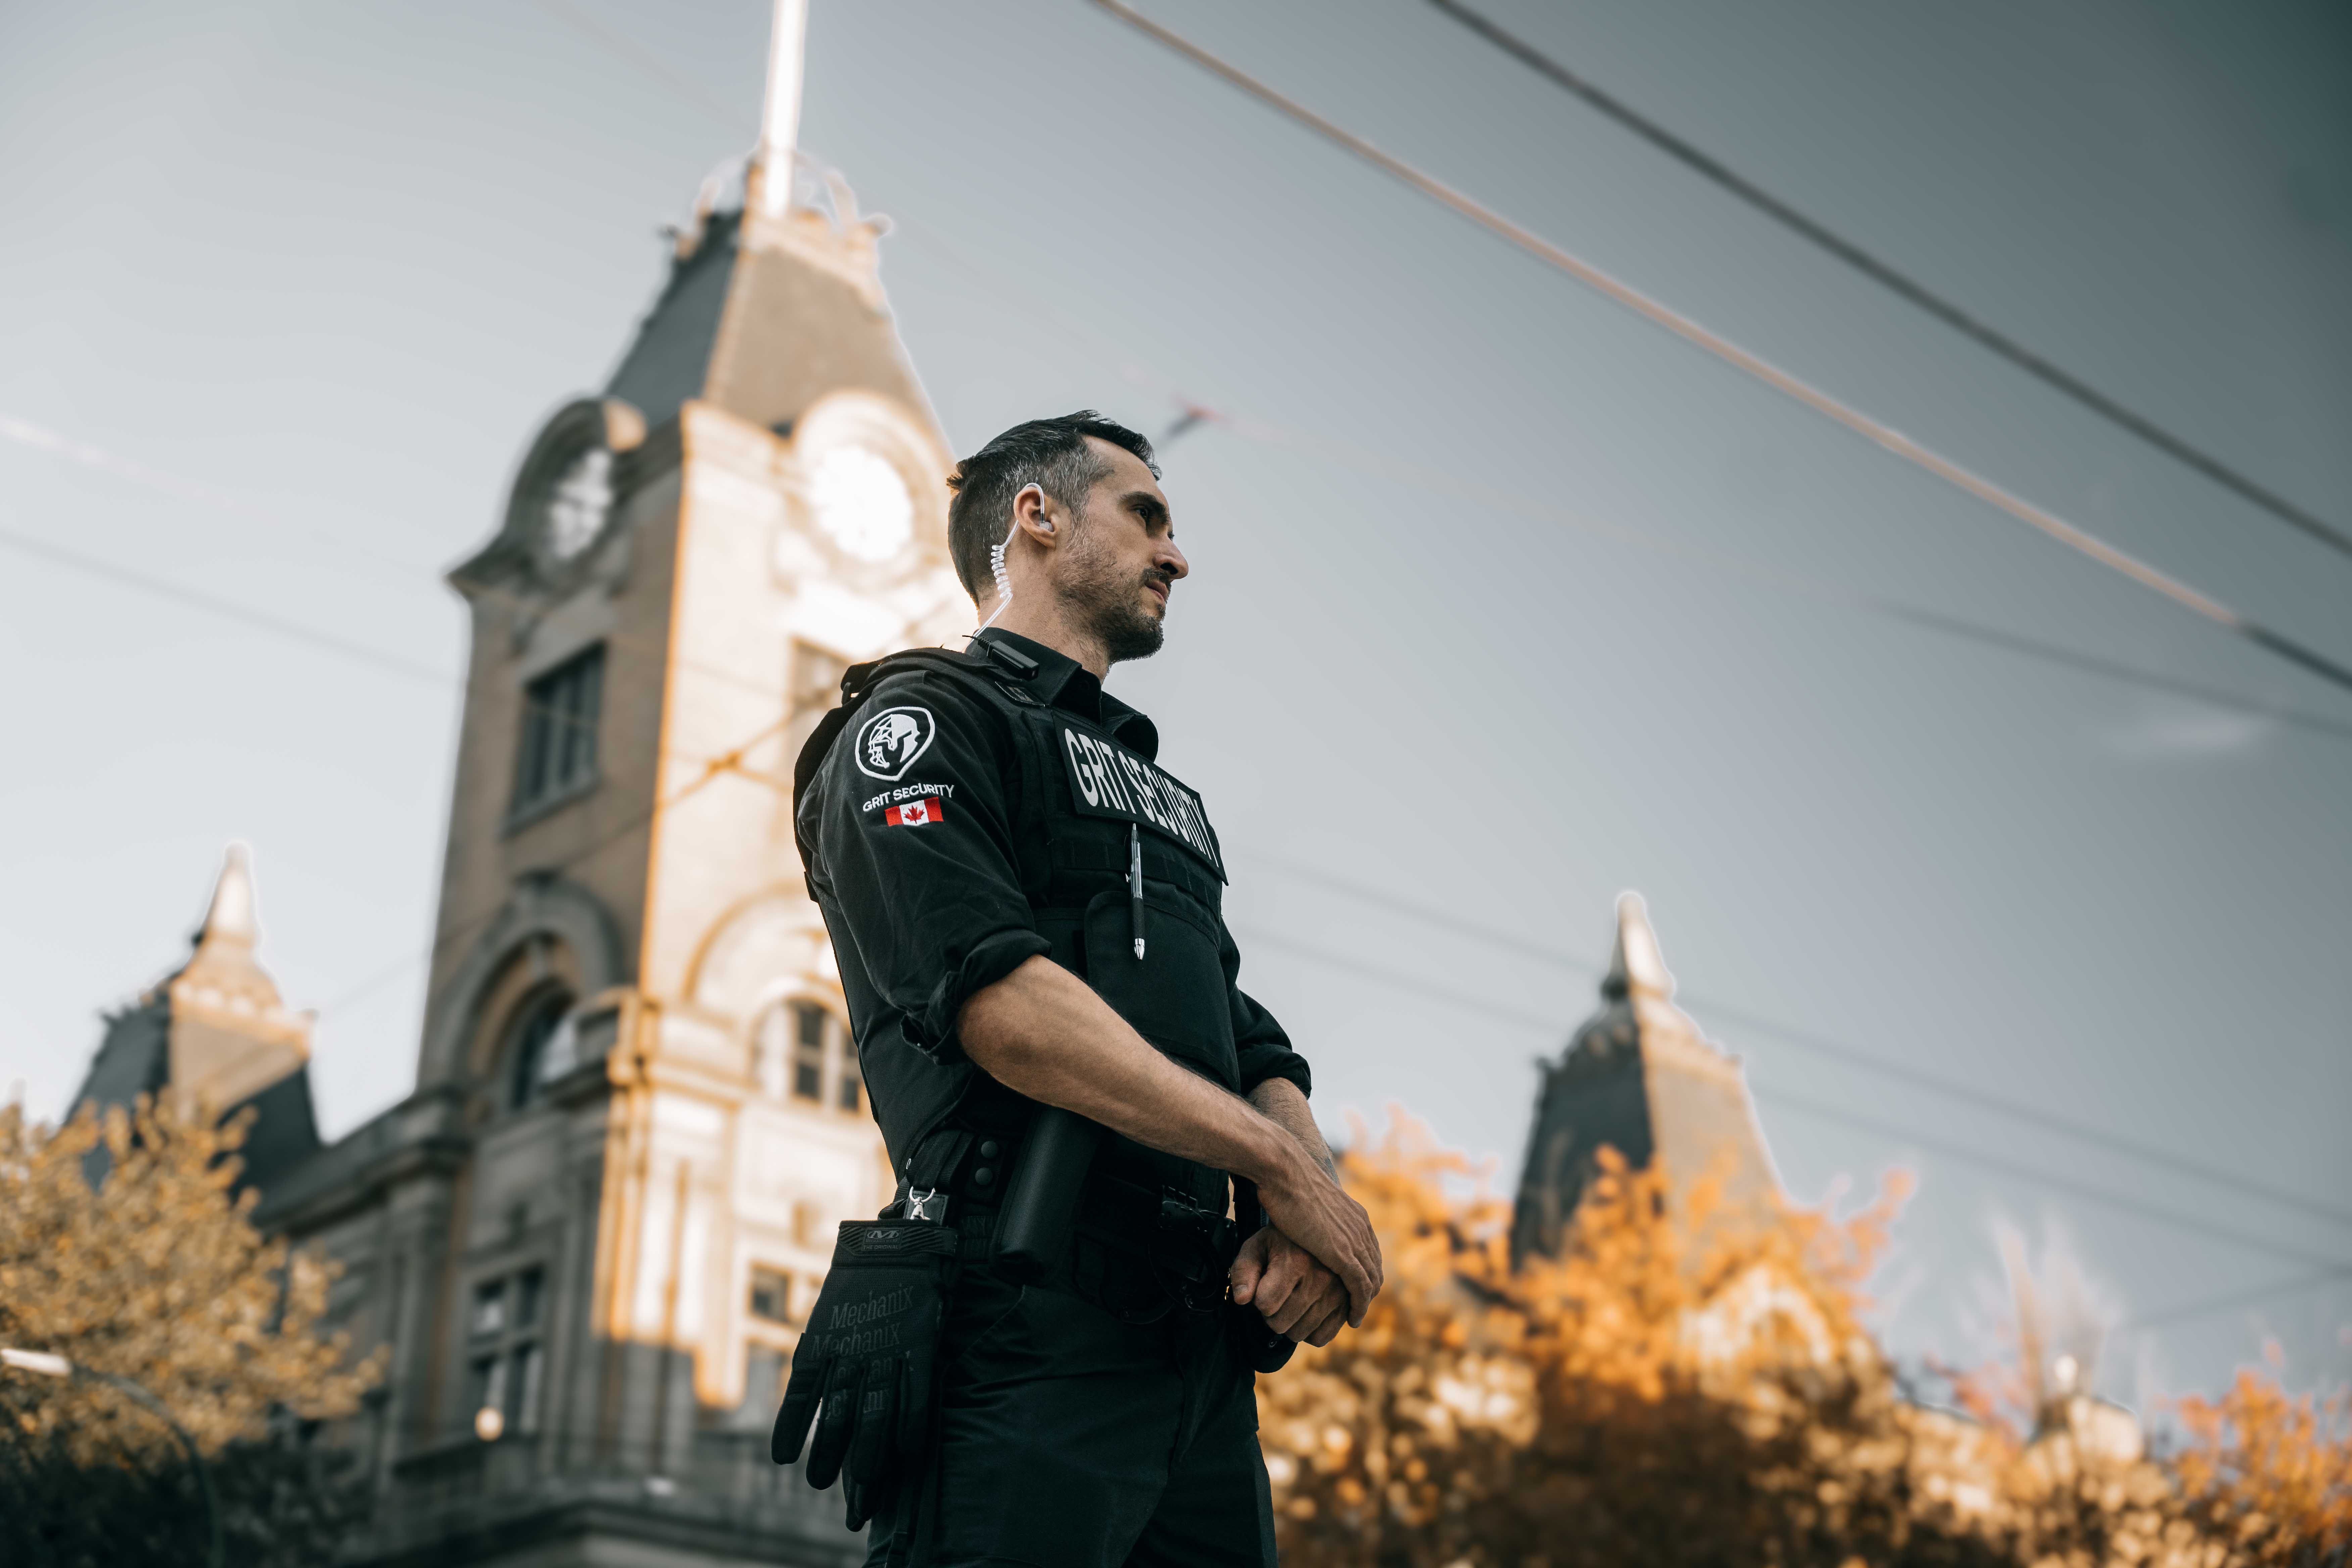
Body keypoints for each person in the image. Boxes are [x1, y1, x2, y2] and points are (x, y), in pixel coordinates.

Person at [785, 411, 1383, 1566]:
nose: (1177, 554)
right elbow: (1003, 1009)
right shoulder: (917, 725)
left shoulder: (1165, 798)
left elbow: (1251, 1043)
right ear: (1039, 516)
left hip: (1195, 1342)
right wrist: (1277, 1170)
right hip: (1021, 1315)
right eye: (1147, 515)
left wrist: (1290, 1214)